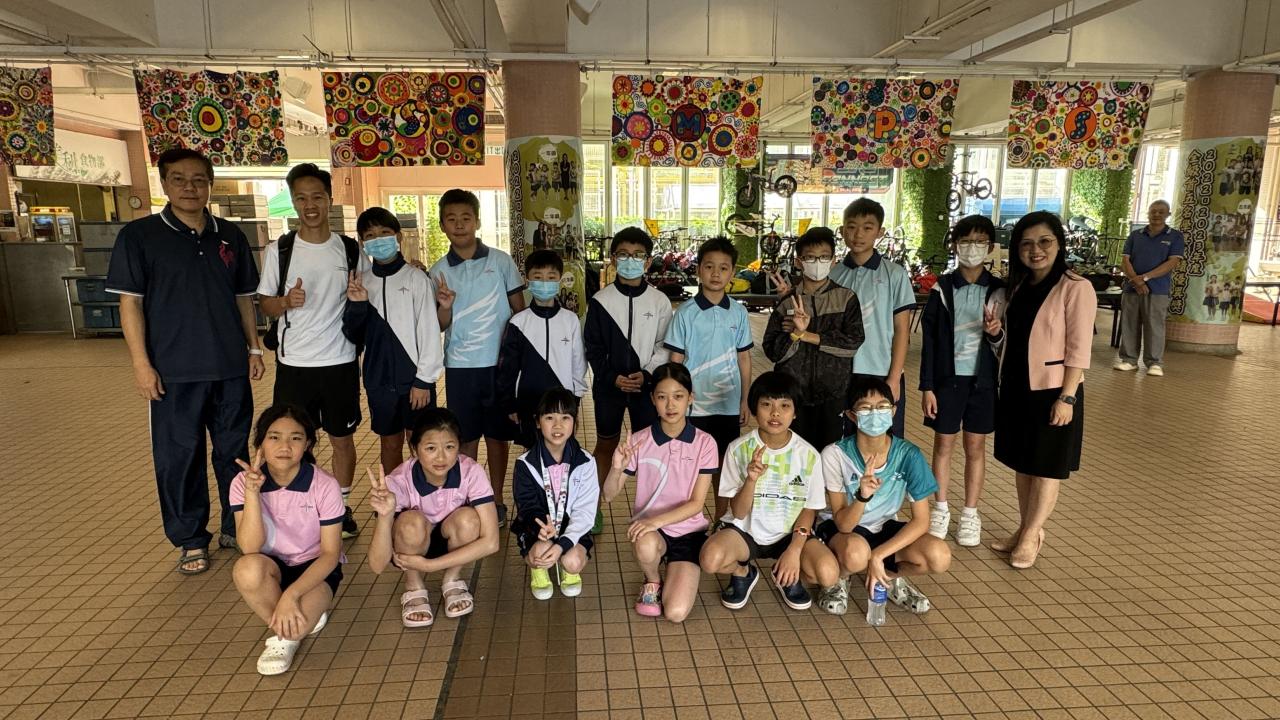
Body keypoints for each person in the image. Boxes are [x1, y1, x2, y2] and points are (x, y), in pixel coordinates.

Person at [106, 147, 263, 574]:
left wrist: (253, 348)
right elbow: (130, 304)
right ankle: (191, 538)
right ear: (164, 184)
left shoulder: (230, 235)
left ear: (210, 184)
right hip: (173, 372)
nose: (189, 188)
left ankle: (237, 525)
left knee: (234, 454)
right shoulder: (140, 237)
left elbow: (243, 298)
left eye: (198, 180)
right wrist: (141, 365)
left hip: (229, 368)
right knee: (179, 456)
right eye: (179, 179)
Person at [257, 163, 368, 539]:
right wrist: (285, 302)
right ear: (293, 202)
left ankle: (340, 507)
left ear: (329, 199)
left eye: (317, 197)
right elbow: (265, 303)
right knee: (291, 440)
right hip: (294, 364)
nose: (310, 205)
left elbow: (368, 293)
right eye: (301, 198)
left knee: (342, 439)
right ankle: (298, 509)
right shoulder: (280, 250)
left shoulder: (349, 250)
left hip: (340, 361)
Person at [988, 211, 1097, 569]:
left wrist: (1067, 397)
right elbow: (1013, 340)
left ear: (1059, 244)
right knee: (1023, 463)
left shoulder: (1075, 287)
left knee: (1046, 466)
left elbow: (1079, 349)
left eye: (1044, 242)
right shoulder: (1018, 286)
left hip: (1052, 391)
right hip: (1017, 385)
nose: (1036, 250)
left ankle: (1033, 533)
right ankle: (1024, 528)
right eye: (1027, 244)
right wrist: (995, 334)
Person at [698, 372, 839, 612]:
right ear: (754, 409)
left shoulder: (809, 455)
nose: (775, 413)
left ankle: (787, 575)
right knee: (710, 560)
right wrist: (751, 480)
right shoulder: (738, 449)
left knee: (828, 574)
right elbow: (738, 512)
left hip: (790, 533)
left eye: (784, 406)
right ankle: (743, 572)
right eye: (766, 405)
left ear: (795, 412)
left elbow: (810, 509)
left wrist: (794, 551)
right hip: (745, 532)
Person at [428, 190, 526, 525]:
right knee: (466, 438)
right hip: (460, 368)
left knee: (497, 437)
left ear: (477, 222)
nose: (459, 225)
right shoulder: (438, 271)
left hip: (499, 365)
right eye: (451, 219)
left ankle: (496, 500)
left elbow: (519, 312)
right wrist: (445, 306)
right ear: (442, 225)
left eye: (465, 218)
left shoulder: (501, 261)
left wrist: (518, 358)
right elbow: (440, 325)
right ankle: (472, 499)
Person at [816, 377, 951, 616]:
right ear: (852, 416)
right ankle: (841, 578)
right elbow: (843, 524)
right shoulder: (835, 454)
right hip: (844, 531)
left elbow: (922, 521)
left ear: (893, 411)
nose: (875, 413)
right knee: (856, 554)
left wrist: (879, 555)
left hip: (884, 527)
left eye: (882, 407)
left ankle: (887, 578)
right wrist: (862, 496)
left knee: (939, 556)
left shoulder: (909, 455)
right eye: (866, 408)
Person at [230, 404, 343, 675]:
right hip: (271, 567)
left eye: (295, 438)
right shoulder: (242, 483)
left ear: (307, 445)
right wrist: (252, 494)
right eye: (274, 437)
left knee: (300, 625)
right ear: (260, 443)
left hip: (314, 567)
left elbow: (331, 554)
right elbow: (249, 548)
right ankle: (284, 635)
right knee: (246, 569)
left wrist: (290, 595)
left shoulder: (325, 484)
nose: (284, 446)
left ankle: (288, 629)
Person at [602, 363, 717, 622]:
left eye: (678, 396)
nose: (670, 405)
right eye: (662, 397)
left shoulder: (705, 443)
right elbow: (608, 496)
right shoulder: (639, 440)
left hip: (688, 533)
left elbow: (697, 504)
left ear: (690, 398)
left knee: (675, 613)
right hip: (651, 533)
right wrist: (616, 467)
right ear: (653, 399)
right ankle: (652, 580)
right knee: (644, 542)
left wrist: (654, 521)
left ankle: (674, 569)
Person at [366, 408, 501, 625]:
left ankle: (452, 579)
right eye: (430, 448)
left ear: (459, 447)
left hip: (451, 540)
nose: (441, 457)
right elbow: (377, 565)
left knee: (469, 519)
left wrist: (431, 566)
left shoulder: (471, 471)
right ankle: (413, 585)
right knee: (410, 522)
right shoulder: (398, 481)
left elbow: (492, 542)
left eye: (449, 447)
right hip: (412, 544)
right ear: (414, 449)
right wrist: (385, 516)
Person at [919, 215, 1005, 546]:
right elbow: (929, 342)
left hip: (983, 384)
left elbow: (1007, 343)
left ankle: (970, 513)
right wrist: (927, 386)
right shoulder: (941, 289)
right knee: (943, 444)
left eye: (980, 242)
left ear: (990, 247)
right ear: (955, 246)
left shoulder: (999, 290)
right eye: (966, 241)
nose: (972, 248)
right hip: (947, 382)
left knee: (975, 447)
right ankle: (940, 508)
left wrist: (995, 333)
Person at [584, 227, 673, 531]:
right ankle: (593, 509)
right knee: (605, 444)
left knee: (649, 448)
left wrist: (647, 374)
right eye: (623, 254)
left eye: (637, 256)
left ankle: (651, 508)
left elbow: (665, 344)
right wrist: (612, 378)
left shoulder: (660, 301)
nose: (630, 260)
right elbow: (593, 347)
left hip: (646, 388)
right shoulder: (600, 301)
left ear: (648, 262)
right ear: (613, 259)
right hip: (609, 388)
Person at [343, 207, 443, 473]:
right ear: (363, 243)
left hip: (414, 380)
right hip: (378, 381)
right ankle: (394, 496)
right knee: (389, 444)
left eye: (384, 232)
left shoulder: (416, 278)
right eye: (370, 236)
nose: (378, 240)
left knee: (421, 443)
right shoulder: (361, 282)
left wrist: (424, 380)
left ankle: (422, 495)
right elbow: (354, 336)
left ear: (398, 236)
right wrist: (358, 304)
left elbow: (429, 331)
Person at [664, 237, 753, 521]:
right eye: (709, 266)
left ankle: (721, 521)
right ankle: (685, 524)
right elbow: (675, 361)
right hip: (694, 406)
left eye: (723, 268)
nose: (716, 274)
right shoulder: (685, 313)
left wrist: (744, 400)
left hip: (727, 405)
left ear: (732, 272)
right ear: (698, 269)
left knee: (724, 467)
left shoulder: (738, 312)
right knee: (689, 466)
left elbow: (744, 358)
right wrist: (675, 401)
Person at [763, 226, 864, 450]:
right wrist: (792, 335)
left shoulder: (846, 298)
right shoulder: (788, 301)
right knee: (794, 455)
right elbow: (772, 351)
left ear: (833, 261)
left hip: (833, 394)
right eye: (810, 257)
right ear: (799, 262)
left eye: (824, 257)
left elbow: (853, 343)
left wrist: (806, 335)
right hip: (792, 396)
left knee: (830, 456)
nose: (817, 263)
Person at [828, 198, 915, 438]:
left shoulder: (894, 274)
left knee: (884, 438)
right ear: (842, 230)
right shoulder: (834, 275)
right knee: (843, 438)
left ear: (880, 232)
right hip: (841, 371)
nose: (858, 234)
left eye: (867, 227)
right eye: (852, 227)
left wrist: (894, 377)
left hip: (881, 371)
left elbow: (902, 330)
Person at [511, 390, 599, 600]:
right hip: (539, 529)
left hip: (572, 528)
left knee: (573, 561)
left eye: (565, 418)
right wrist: (540, 529)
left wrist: (563, 544)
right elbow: (527, 506)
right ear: (538, 422)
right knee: (539, 553)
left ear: (575, 423)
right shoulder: (525, 464)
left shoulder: (586, 462)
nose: (557, 425)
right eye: (550, 417)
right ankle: (538, 569)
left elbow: (585, 510)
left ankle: (568, 569)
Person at [496, 249, 588, 448]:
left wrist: (576, 399)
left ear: (559, 280)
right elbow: (507, 368)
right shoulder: (518, 322)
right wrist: (510, 404)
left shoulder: (570, 320)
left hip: (562, 404)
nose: (544, 282)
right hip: (528, 403)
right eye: (538, 277)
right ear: (527, 280)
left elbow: (578, 363)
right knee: (532, 452)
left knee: (561, 453)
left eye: (551, 277)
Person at [1115, 200, 1184, 376]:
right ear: (1148, 213)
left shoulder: (1175, 236)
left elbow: (1172, 263)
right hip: (1132, 288)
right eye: (1153, 211)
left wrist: (1145, 278)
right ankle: (1129, 360)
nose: (1156, 215)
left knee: (1155, 326)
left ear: (1168, 214)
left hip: (1158, 289)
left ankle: (1154, 363)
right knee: (1129, 324)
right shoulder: (1135, 235)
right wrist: (1136, 281)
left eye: (1161, 212)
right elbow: (1125, 260)